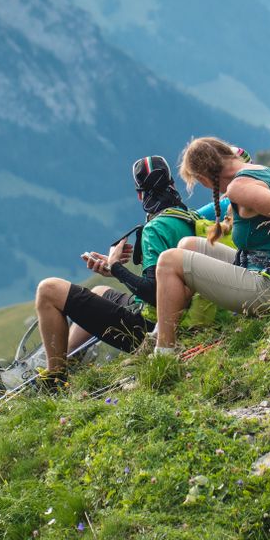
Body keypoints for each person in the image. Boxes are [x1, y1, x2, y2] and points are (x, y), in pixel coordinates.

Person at [151, 137, 270, 353]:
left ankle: (163, 355)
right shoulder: (267, 173)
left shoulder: (239, 188)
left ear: (203, 179)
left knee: (167, 261)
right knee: (187, 245)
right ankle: (172, 329)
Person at [32, 155, 198, 383]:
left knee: (48, 290)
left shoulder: (155, 229)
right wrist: (113, 271)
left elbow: (155, 294)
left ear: (140, 194)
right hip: (185, 317)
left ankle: (54, 378)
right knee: (99, 291)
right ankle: (67, 359)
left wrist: (116, 267)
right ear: (172, 184)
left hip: (152, 329)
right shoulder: (188, 217)